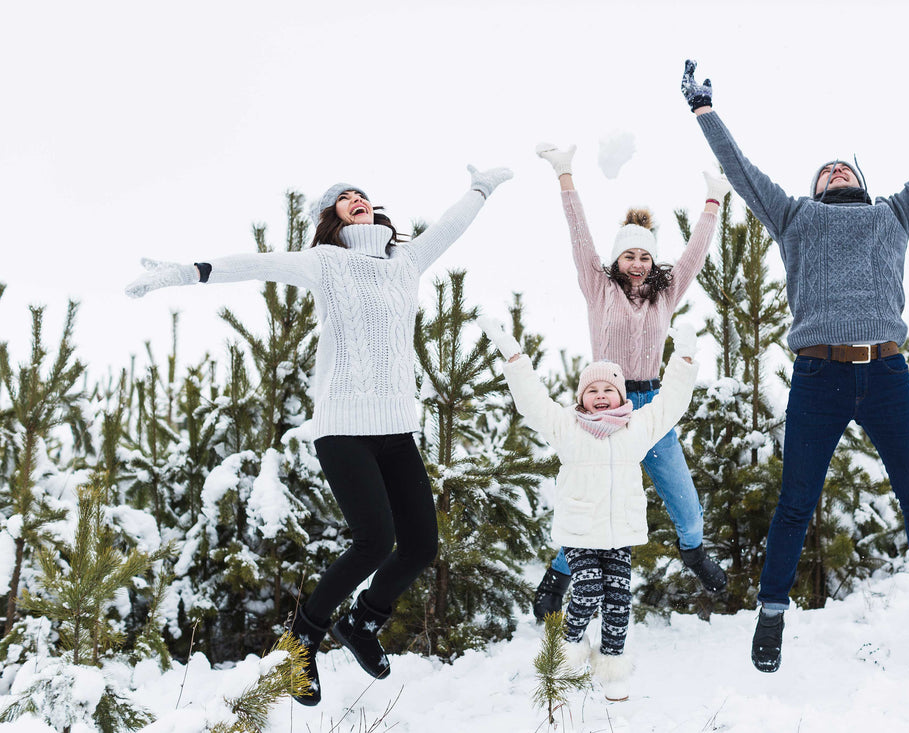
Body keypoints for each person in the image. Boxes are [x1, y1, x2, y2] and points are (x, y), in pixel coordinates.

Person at [125, 164, 512, 704]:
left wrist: (481, 188)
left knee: (421, 546)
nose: (356, 200)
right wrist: (187, 271)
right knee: (375, 541)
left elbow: (449, 227)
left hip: (397, 430)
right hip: (344, 430)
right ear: (330, 217)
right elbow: (255, 264)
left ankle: (362, 622)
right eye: (344, 198)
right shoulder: (325, 263)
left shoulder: (405, 262)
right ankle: (301, 641)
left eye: (362, 195)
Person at [680, 59, 909, 672]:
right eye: (826, 170)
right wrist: (704, 110)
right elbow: (740, 169)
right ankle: (772, 611)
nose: (835, 170)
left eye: (845, 167)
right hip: (819, 379)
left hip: (887, 376)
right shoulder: (794, 219)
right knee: (796, 501)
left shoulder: (893, 214)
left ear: (860, 182)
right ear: (814, 190)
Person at [529, 142, 731, 619]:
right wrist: (565, 174)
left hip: (652, 407)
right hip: (604, 411)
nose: (638, 263)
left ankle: (694, 553)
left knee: (684, 498)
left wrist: (713, 201)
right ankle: (557, 579)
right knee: (594, 505)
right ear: (616, 260)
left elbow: (695, 254)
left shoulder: (666, 295)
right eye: (629, 256)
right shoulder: (598, 290)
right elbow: (579, 236)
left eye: (645, 256)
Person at [478, 315, 699, 701]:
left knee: (618, 601)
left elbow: (672, 404)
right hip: (580, 530)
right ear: (581, 397)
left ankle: (613, 669)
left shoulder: (638, 427)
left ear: (621, 395)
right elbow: (532, 401)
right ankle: (568, 648)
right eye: (592, 389)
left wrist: (683, 357)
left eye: (608, 389)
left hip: (620, 533)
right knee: (589, 588)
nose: (600, 395)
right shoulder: (567, 426)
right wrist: (513, 356)